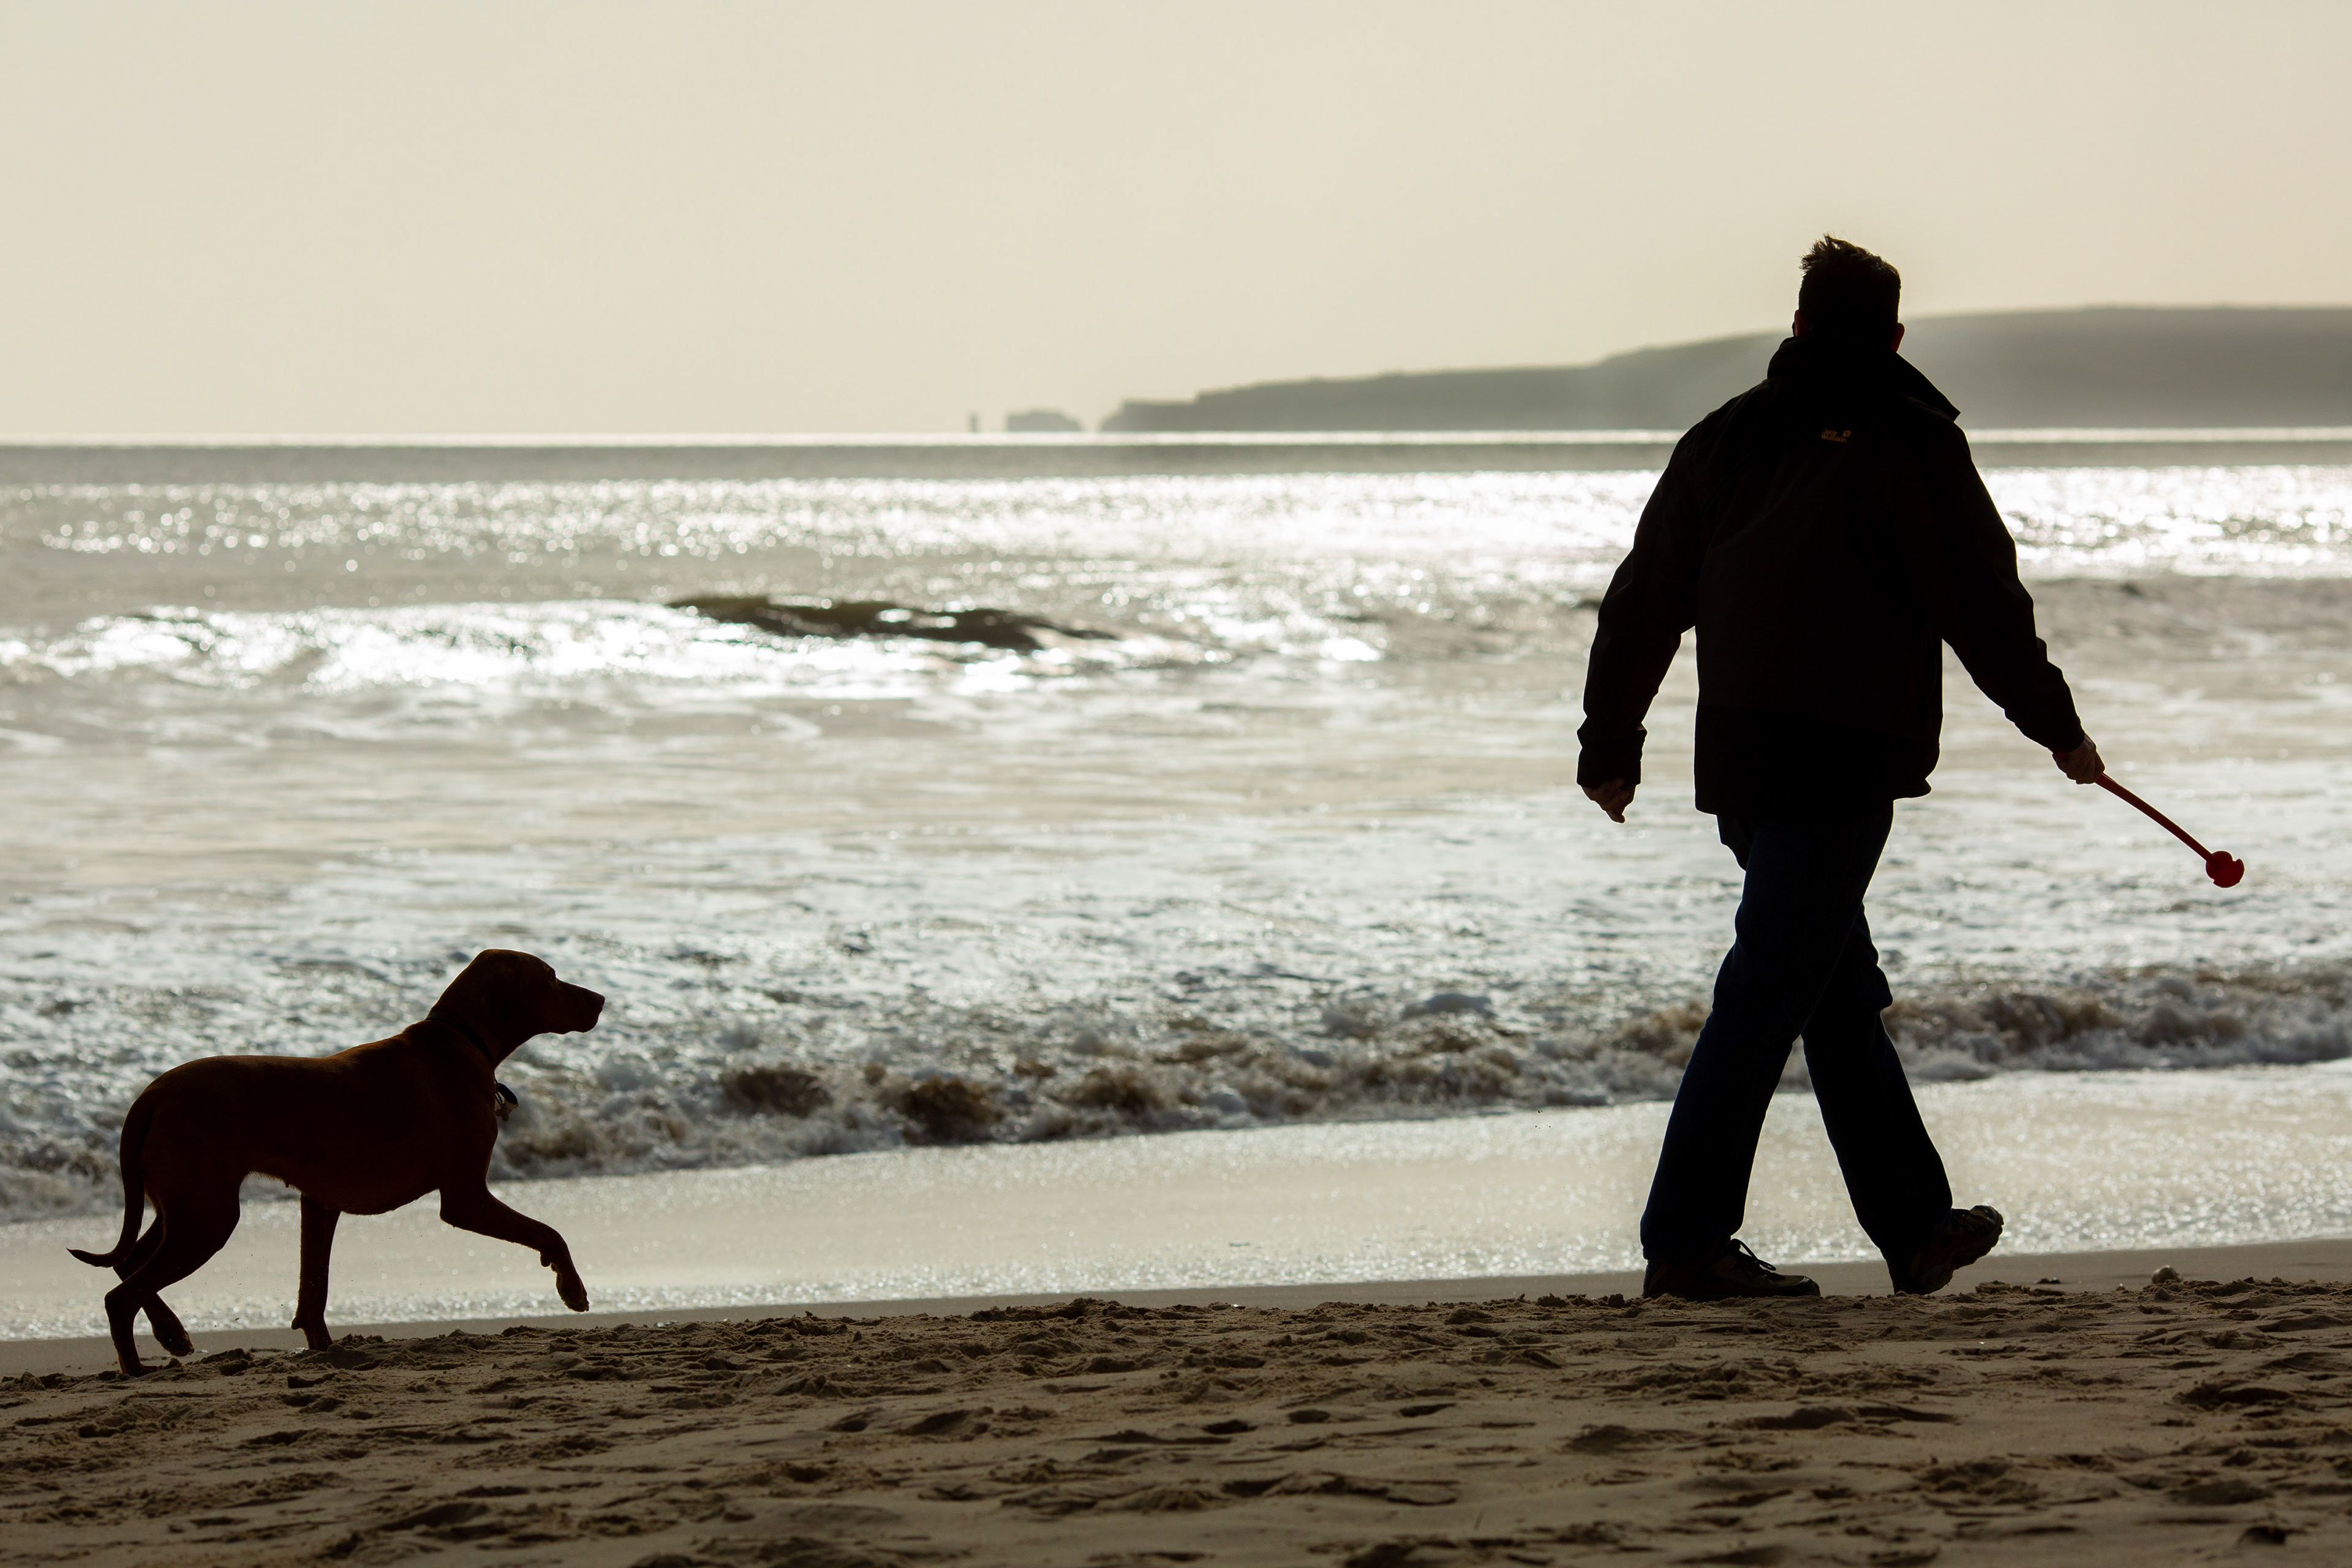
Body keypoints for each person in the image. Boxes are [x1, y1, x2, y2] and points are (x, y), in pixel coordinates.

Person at [1577, 236, 2101, 1300]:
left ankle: (1914, 1226)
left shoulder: (1726, 435)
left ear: (1803, 323)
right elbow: (1982, 607)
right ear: (1895, 336)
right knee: (1772, 989)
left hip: (1738, 752)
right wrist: (2059, 730)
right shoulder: (1912, 441)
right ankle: (1684, 1243)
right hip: (1843, 753)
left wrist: (1610, 741)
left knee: (1826, 988)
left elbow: (1646, 598)